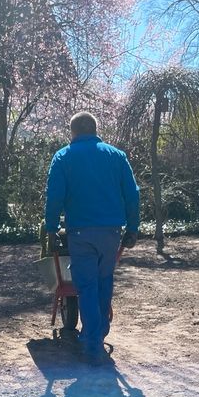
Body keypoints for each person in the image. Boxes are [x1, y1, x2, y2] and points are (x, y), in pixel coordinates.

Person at [44, 111, 140, 366]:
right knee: (104, 280)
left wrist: (51, 229)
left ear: (73, 132)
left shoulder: (63, 157)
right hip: (110, 231)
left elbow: (54, 196)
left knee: (85, 285)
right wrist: (133, 228)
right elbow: (132, 194)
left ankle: (92, 341)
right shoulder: (116, 156)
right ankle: (99, 331)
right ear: (95, 130)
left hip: (80, 232)